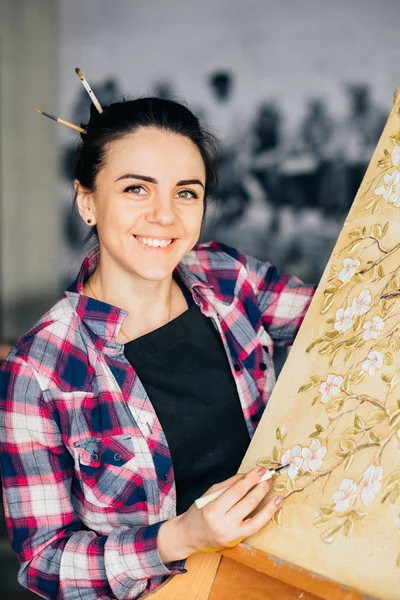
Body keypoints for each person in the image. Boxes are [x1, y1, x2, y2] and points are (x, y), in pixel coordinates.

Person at [0, 97, 315, 600]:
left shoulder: (228, 276)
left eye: (186, 192)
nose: (164, 215)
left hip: (287, 565)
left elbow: (349, 331)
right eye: (136, 188)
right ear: (87, 200)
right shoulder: (39, 369)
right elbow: (44, 562)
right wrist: (182, 536)